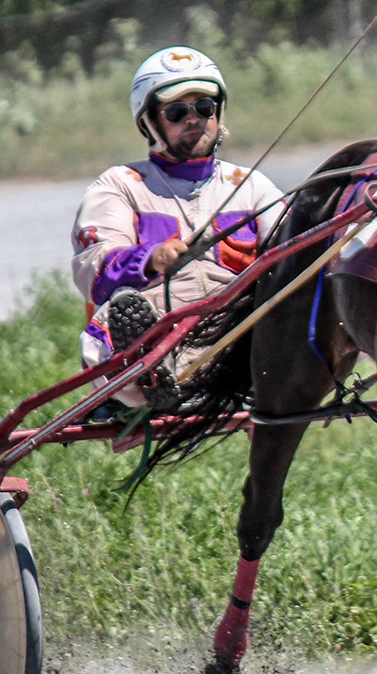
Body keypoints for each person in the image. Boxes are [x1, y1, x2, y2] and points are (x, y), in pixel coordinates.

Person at [71, 47, 283, 411]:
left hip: (238, 330)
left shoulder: (251, 186)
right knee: (124, 310)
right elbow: (92, 270)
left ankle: (251, 374)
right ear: (150, 122)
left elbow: (294, 249)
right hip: (160, 324)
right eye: (177, 112)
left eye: (204, 107)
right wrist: (150, 258)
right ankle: (155, 377)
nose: (194, 119)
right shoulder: (121, 185)